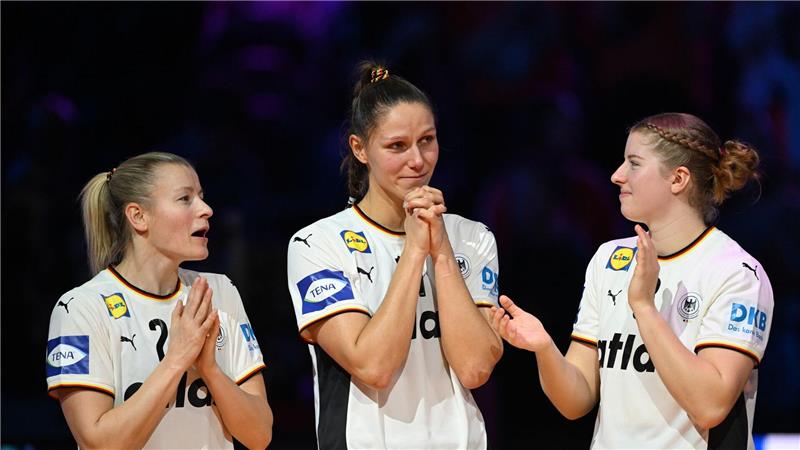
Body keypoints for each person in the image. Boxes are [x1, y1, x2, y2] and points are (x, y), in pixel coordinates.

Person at [491, 113, 774, 449]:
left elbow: (710, 406)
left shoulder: (736, 272)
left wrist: (644, 307)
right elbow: (576, 400)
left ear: (678, 179)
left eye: (634, 163)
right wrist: (544, 348)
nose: (616, 175)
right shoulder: (609, 259)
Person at [286, 62, 504, 449]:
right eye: (397, 146)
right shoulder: (317, 243)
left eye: (427, 140)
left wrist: (442, 253)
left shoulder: (472, 237)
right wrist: (416, 248)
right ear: (360, 149)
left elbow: (474, 368)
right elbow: (373, 366)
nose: (418, 161)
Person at [46, 152, 272, 449]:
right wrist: (177, 358)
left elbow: (259, 436)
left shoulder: (218, 290)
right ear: (138, 216)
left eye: (201, 197)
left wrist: (210, 370)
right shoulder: (80, 308)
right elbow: (98, 444)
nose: (206, 209)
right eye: (185, 199)